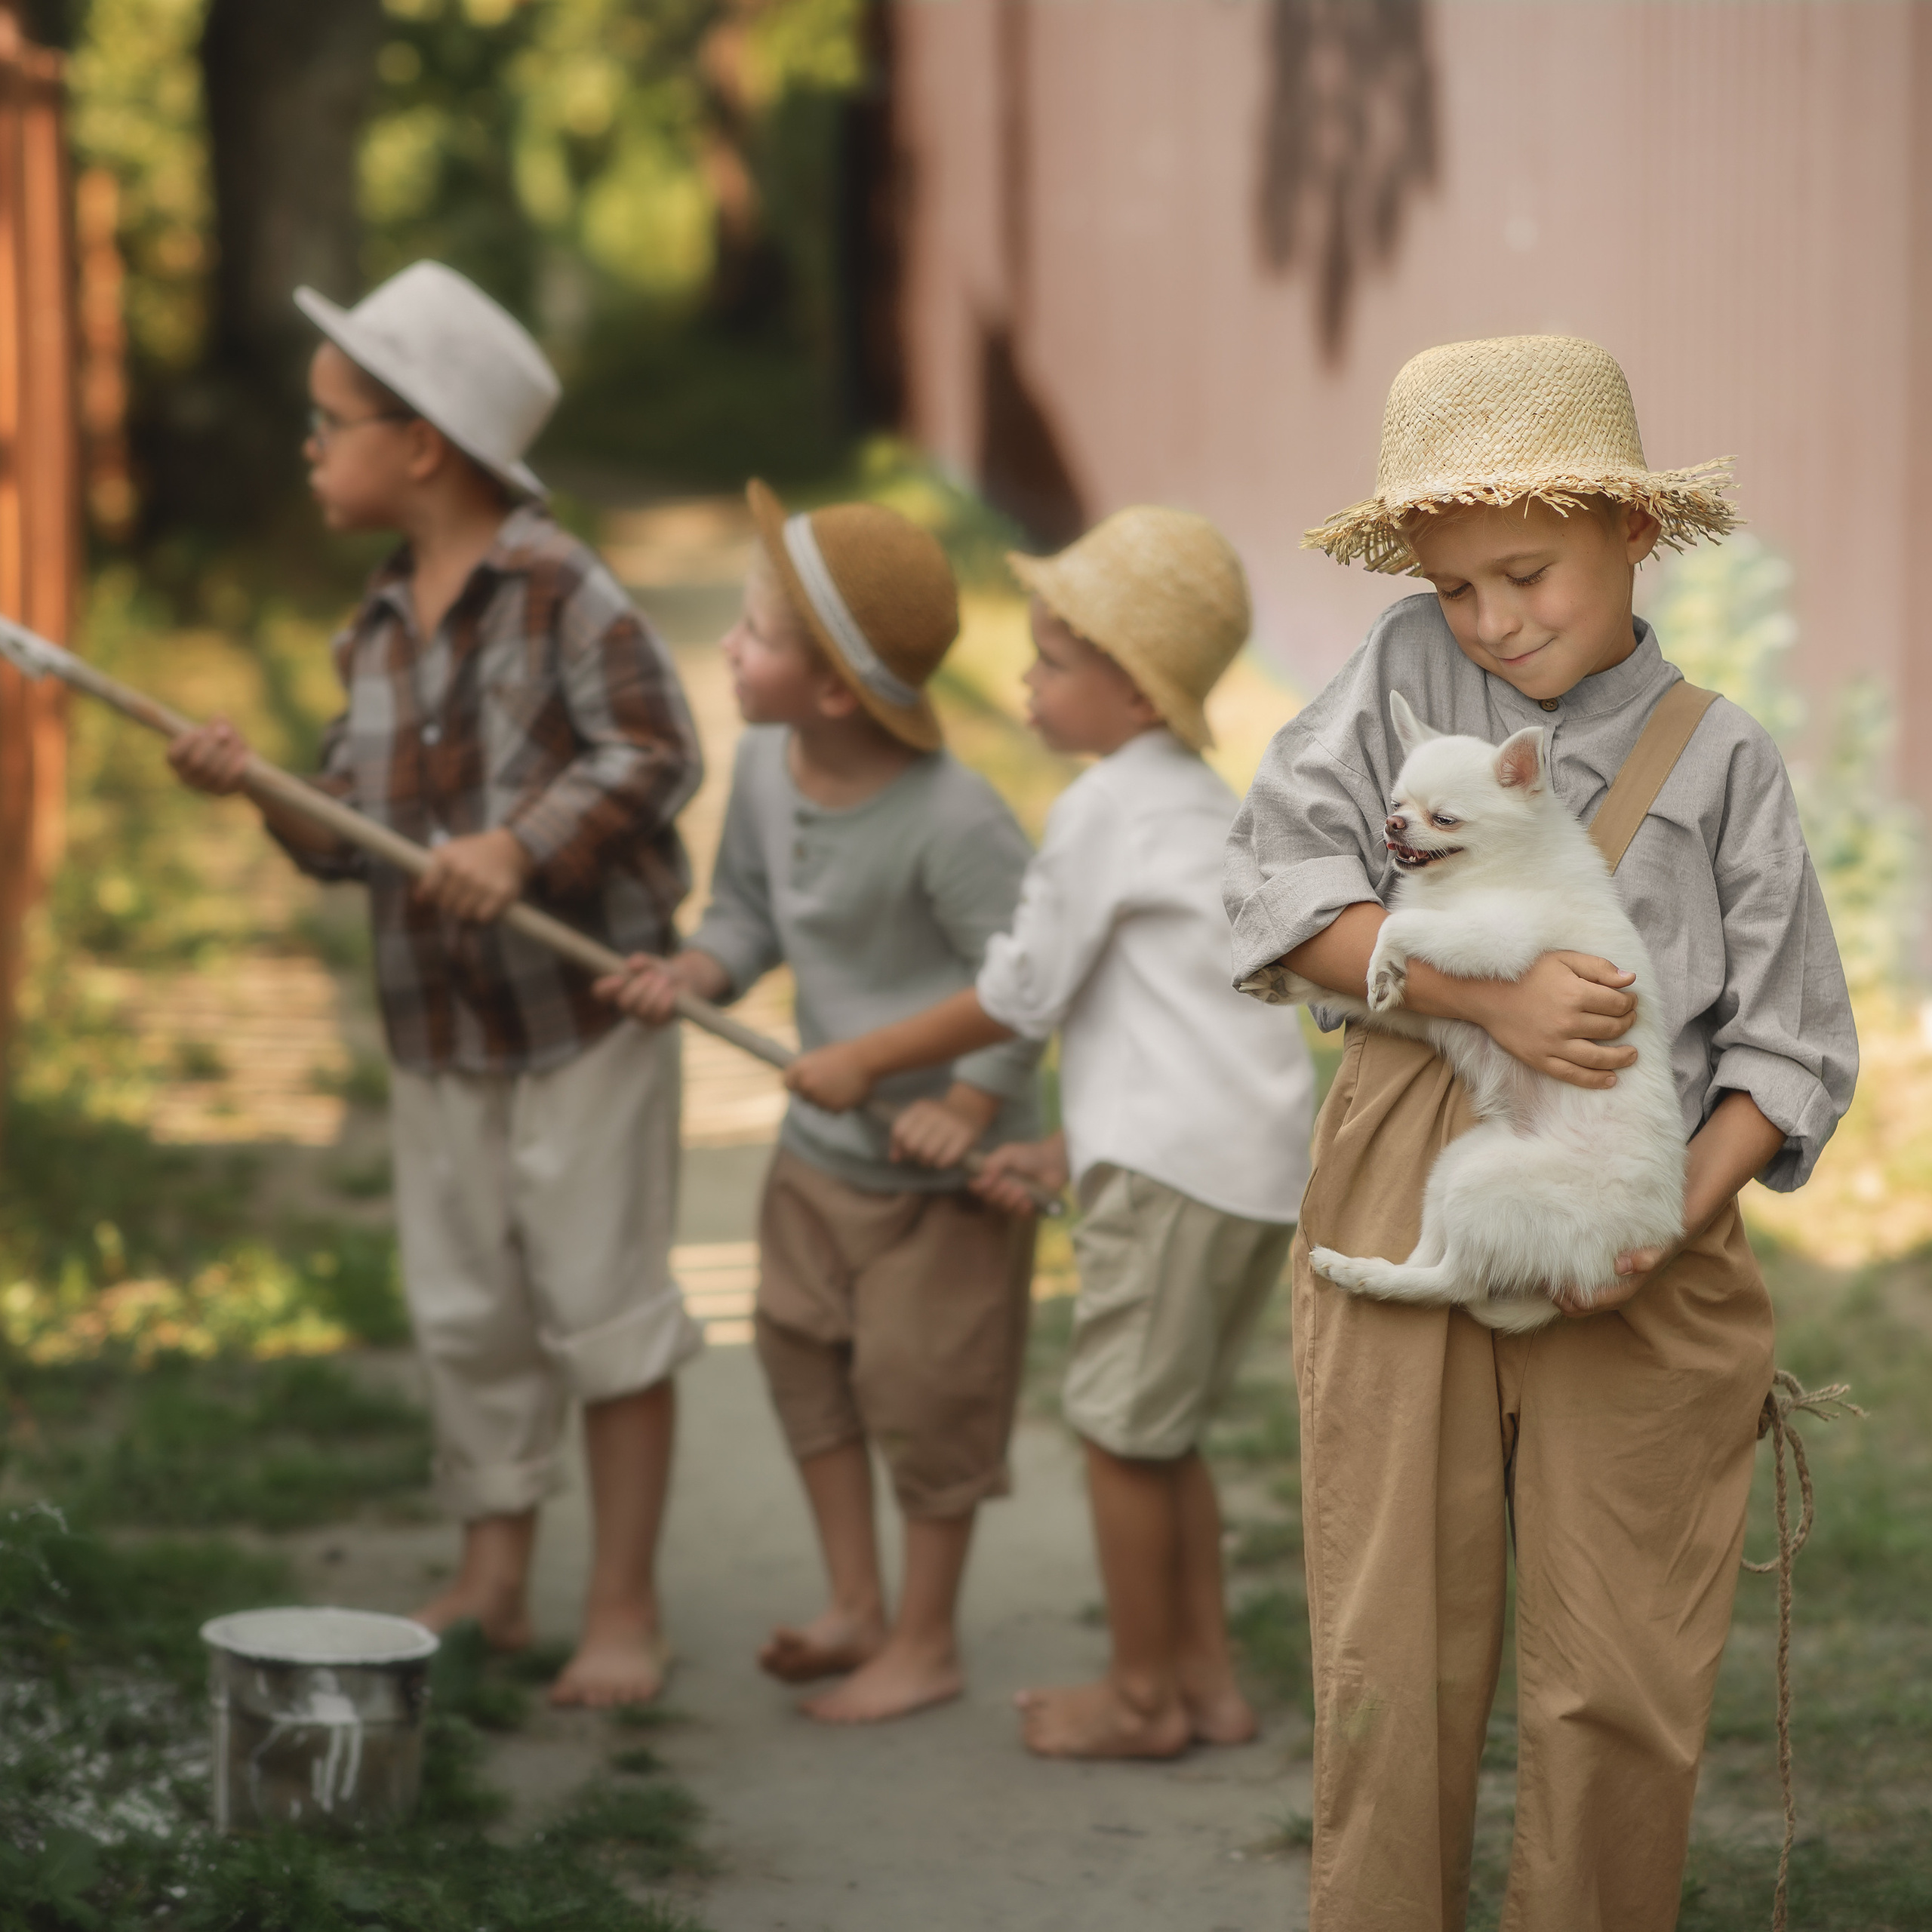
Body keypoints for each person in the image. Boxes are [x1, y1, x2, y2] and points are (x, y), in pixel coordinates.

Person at [1226, 334, 1858, 1930]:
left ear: (1628, 534)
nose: (1492, 621)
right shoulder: (1393, 678)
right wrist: (1475, 996)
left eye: (1524, 574)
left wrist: (1668, 1215)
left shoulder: (1722, 756)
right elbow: (1269, 889)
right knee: (1392, 1645)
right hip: (1407, 1169)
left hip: (1641, 1205)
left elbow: (1787, 1045)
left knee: (1618, 1672)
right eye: (1455, 589)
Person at [167, 261, 705, 1708]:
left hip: (577, 1019)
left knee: (598, 1301)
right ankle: (494, 1569)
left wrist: (519, 850)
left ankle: (623, 1604)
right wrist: (266, 793)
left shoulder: (560, 587)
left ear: (419, 446)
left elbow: (657, 750)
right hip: (437, 1025)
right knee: (467, 1303)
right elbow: (349, 832)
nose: (307, 444)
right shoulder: (375, 624)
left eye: (326, 418)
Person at [784, 506, 1318, 1759]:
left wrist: (864, 1055)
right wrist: (1073, 1152)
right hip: (1235, 1169)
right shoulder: (1193, 802)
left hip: (1179, 1177)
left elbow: (1023, 988)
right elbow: (1176, 1029)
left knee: (1120, 1438)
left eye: (1052, 664)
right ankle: (1204, 1684)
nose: (1025, 682)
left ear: (1135, 695)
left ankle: (1137, 1700)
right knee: (1164, 1425)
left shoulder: (1108, 809)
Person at [598, 481, 1042, 1724]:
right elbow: (747, 909)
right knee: (801, 1354)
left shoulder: (955, 821)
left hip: (941, 1179)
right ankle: (855, 1601)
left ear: (838, 689)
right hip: (820, 1153)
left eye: (754, 634)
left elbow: (1032, 978)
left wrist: (957, 1097)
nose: (729, 647)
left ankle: (926, 1638)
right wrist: (696, 970)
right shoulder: (763, 769)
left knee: (926, 1395)